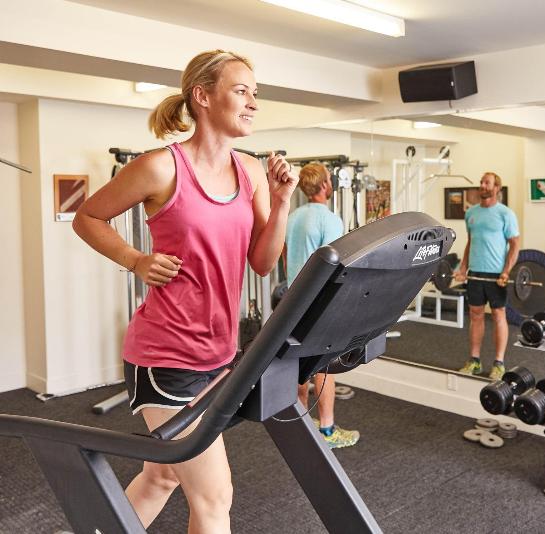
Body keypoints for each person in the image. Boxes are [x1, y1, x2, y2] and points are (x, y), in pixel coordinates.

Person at [72, 50, 298, 533]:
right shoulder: (161, 168)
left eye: (255, 93)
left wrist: (281, 203)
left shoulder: (251, 172)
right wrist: (136, 259)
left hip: (219, 353)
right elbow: (87, 217)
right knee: (215, 498)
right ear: (203, 96)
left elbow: (262, 262)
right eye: (242, 91)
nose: (254, 103)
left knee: (162, 477)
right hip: (167, 356)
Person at [287, 162, 360, 449]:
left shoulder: (293, 217)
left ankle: (302, 427)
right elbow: (335, 266)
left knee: (298, 364)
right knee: (323, 366)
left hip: (293, 299)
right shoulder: (330, 220)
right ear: (325, 185)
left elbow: (285, 256)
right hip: (319, 301)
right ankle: (327, 430)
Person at [455, 172, 520, 380]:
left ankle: (499, 363)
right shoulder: (471, 213)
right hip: (475, 272)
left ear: (496, 187)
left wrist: (506, 271)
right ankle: (474, 360)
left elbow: (515, 244)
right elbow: (470, 241)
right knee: (475, 315)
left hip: (496, 274)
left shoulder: (505, 214)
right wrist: (463, 268)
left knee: (499, 314)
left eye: (487, 182)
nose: (482, 185)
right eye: (481, 182)